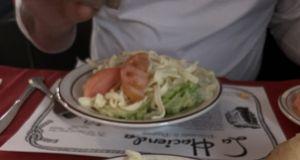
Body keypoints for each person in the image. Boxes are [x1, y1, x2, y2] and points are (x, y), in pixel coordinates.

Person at [15, 0, 300, 80]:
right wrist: (52, 14)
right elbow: (46, 37)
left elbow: (291, 27)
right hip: (108, 107)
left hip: (233, 109)